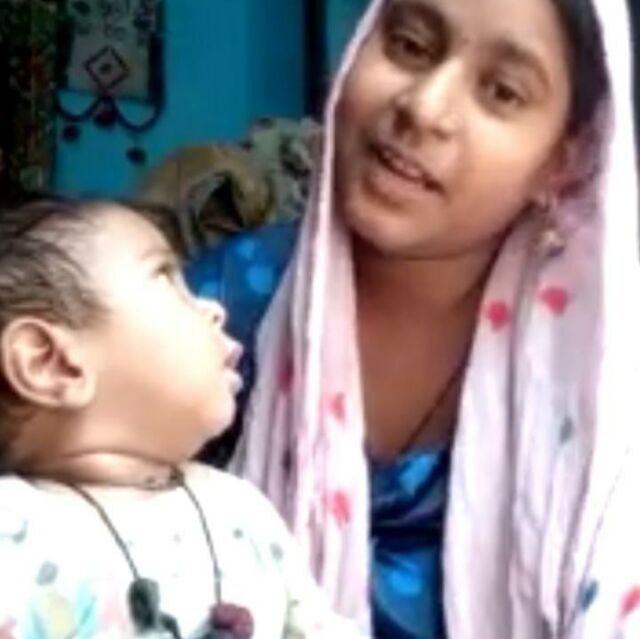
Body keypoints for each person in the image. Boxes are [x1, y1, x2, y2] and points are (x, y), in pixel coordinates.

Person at [189, 0, 640, 637]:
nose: (425, 107)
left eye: (502, 92)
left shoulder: (606, 398)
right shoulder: (213, 312)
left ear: (562, 164)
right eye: (409, 45)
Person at [0, 198, 366, 639]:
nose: (215, 309)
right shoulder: (14, 535)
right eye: (165, 277)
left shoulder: (241, 509)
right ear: (51, 363)